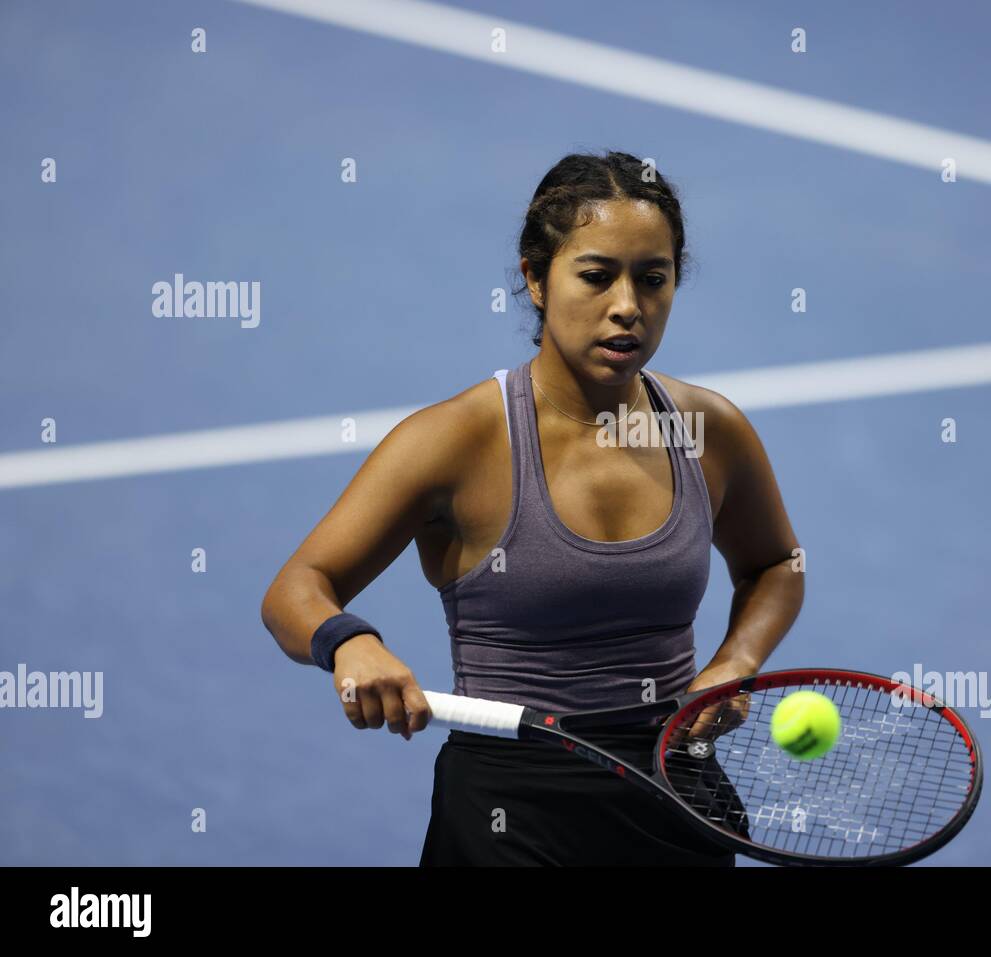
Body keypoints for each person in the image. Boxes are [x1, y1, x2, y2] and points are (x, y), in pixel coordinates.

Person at [260, 149, 804, 865]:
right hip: (509, 809)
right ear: (534, 278)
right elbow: (295, 588)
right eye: (596, 275)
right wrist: (349, 640)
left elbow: (776, 564)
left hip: (674, 791)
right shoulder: (454, 441)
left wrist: (736, 658)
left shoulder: (706, 429)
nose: (627, 307)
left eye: (653, 279)